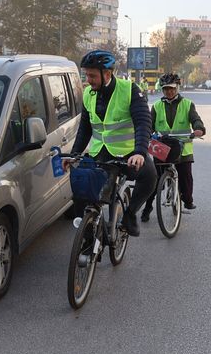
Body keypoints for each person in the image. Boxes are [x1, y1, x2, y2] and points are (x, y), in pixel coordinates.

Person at [63, 50, 157, 237]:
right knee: (82, 186)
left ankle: (130, 214)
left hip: (128, 155)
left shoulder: (130, 90)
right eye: (86, 75)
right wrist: (74, 154)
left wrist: (139, 151)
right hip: (100, 153)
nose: (88, 80)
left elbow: (143, 123)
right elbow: (85, 129)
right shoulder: (89, 94)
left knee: (150, 176)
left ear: (107, 74)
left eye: (92, 75)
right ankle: (88, 233)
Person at [141, 73, 206, 222]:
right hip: (162, 147)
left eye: (171, 88)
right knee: (154, 180)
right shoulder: (157, 106)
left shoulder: (187, 104)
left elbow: (196, 120)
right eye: (165, 89)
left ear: (177, 87)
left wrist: (199, 129)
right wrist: (146, 135)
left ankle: (188, 201)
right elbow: (149, 125)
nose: (168, 92)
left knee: (185, 176)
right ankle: (147, 207)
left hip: (182, 148)